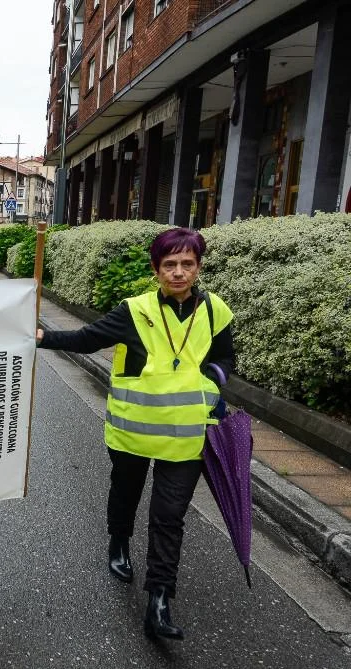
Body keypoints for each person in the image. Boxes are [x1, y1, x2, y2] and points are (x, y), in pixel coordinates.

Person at [36, 227, 235, 641]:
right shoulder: (135, 310)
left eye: (187, 264)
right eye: (169, 264)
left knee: (169, 516)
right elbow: (87, 339)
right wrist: (40, 337)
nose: (178, 272)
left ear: (199, 267)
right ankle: (119, 542)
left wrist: (213, 382)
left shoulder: (216, 311)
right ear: (156, 269)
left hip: (186, 436)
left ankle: (159, 600)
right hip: (133, 431)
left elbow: (224, 358)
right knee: (126, 492)